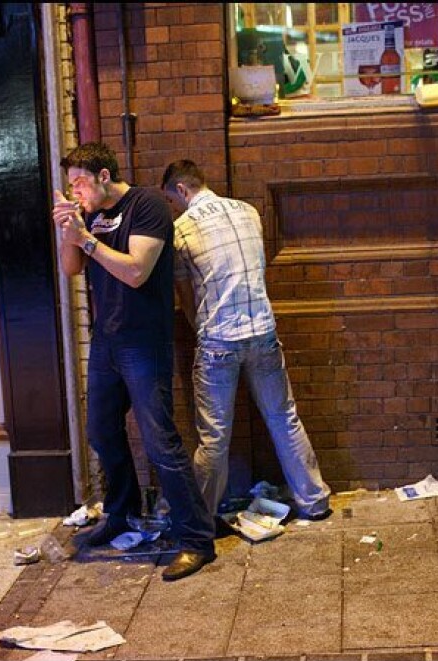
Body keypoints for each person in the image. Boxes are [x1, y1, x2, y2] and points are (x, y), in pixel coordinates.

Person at [52, 142, 216, 581]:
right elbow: (71, 268)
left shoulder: (147, 206)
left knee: (160, 440)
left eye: (81, 183)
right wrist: (69, 230)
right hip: (106, 340)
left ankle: (196, 539)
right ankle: (121, 514)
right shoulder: (87, 214)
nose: (77, 191)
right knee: (102, 431)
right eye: (71, 186)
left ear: (104, 176)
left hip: (144, 341)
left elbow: (136, 271)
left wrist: (87, 239)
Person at [161, 159, 332, 521]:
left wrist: (201, 328)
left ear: (181, 190)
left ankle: (202, 518)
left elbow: (185, 295)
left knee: (214, 438)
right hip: (263, 332)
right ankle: (314, 501)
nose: (175, 208)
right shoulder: (249, 212)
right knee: (285, 418)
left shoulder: (181, 230)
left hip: (219, 341)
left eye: (173, 201)